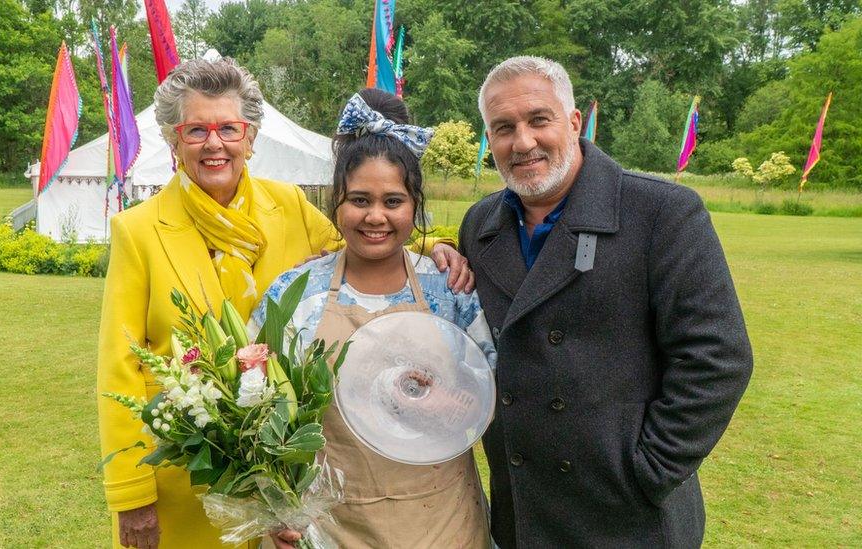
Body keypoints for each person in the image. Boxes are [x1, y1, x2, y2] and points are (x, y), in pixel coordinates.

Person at [96, 58, 471, 549]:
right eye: (196, 130)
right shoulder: (138, 231)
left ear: (249, 137)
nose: (215, 144)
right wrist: (131, 495)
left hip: (288, 477)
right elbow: (119, 368)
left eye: (228, 128)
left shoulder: (289, 204)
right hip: (190, 474)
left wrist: (432, 246)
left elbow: (365, 234)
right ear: (172, 138)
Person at [458, 56, 754, 547]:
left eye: (538, 120)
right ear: (489, 140)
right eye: (503, 127)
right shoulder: (479, 225)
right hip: (524, 511)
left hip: (627, 516)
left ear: (573, 123)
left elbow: (717, 357)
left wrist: (650, 471)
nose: (523, 142)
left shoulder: (661, 211)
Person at [253, 89, 494, 549]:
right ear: (336, 205)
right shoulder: (294, 294)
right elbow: (255, 410)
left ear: (414, 206)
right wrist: (277, 506)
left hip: (441, 521)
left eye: (393, 201)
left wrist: (446, 402)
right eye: (359, 200)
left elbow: (492, 389)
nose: (375, 217)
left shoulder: (450, 291)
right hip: (328, 527)